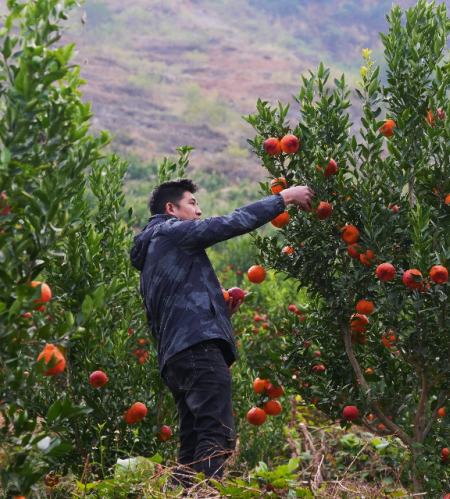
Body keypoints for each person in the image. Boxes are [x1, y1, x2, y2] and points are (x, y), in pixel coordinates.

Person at [129, 178, 314, 485]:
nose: (199, 211)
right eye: (192, 204)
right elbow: (227, 224)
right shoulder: (170, 232)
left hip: (177, 356)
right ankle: (204, 493)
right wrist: (284, 198)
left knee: (192, 444)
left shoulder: (152, 253)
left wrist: (217, 309)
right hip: (197, 351)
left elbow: (167, 311)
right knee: (217, 433)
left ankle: (183, 493)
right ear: (170, 208)